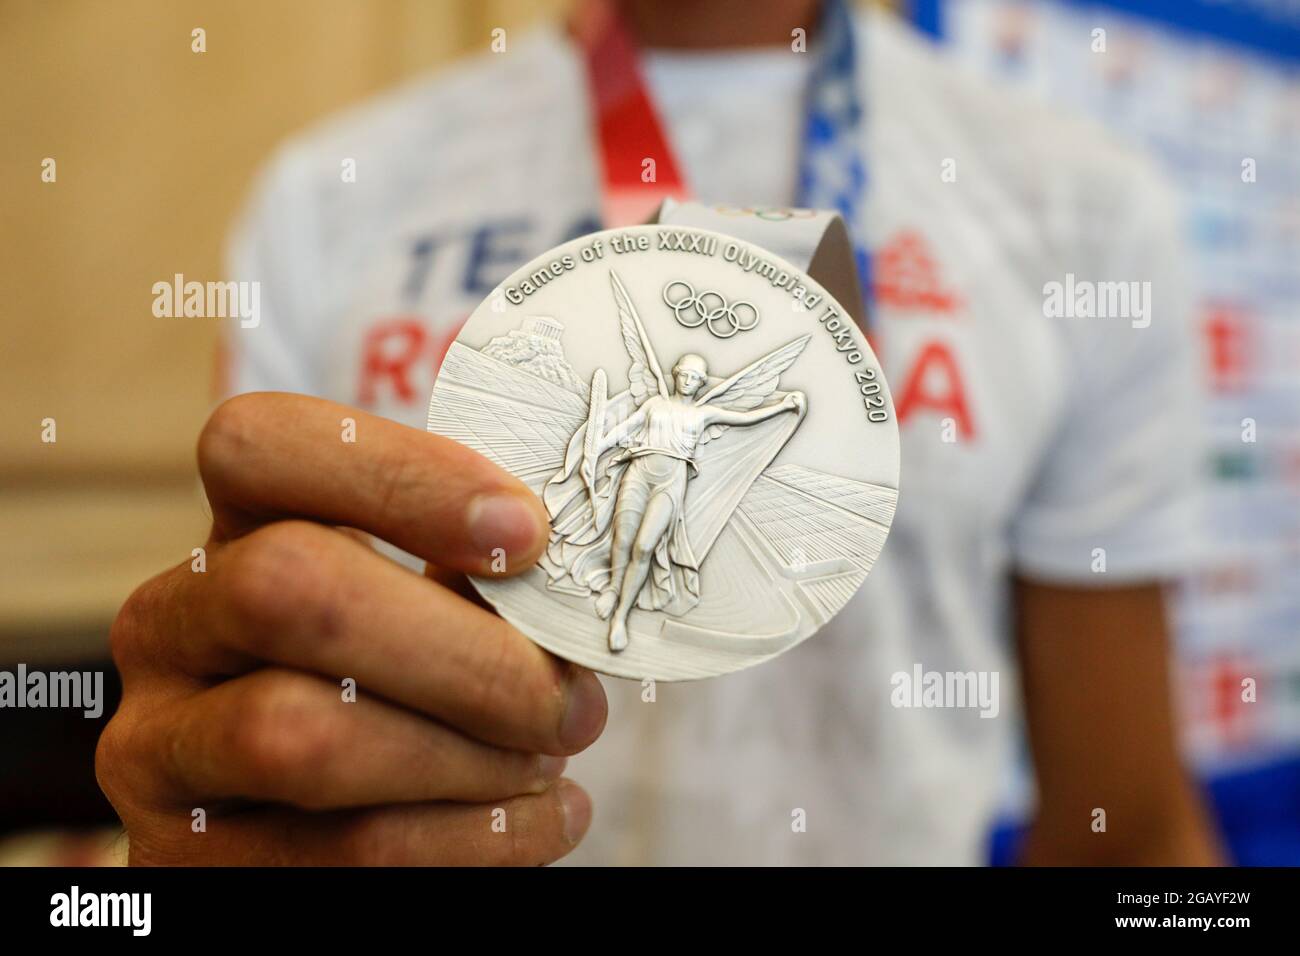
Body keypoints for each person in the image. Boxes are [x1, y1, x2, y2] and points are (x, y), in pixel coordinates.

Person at [96, 0, 1223, 865]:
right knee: (628, 551)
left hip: (690, 494)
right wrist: (184, 819)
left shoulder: (1079, 207)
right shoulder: (330, 192)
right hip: (629, 489)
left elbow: (1124, 829)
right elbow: (244, 710)